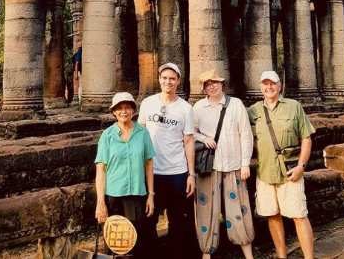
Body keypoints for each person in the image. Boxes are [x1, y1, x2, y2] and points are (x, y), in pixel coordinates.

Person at [248, 71, 316, 259]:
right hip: (265, 172)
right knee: (272, 215)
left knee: (299, 215)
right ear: (261, 87)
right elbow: (234, 127)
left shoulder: (294, 107)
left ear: (280, 86)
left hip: (290, 171)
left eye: (273, 84)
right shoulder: (253, 111)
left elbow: (306, 138)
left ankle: (309, 257)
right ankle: (281, 255)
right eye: (265, 84)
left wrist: (301, 166)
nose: (269, 87)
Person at [193, 70, 255, 259]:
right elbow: (190, 133)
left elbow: (246, 134)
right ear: (203, 88)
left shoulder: (235, 105)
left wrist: (245, 163)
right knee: (206, 210)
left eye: (215, 82)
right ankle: (206, 252)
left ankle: (247, 252)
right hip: (208, 167)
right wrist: (204, 138)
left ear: (222, 84)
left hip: (233, 164)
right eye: (207, 84)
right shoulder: (198, 107)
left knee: (239, 209)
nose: (211, 86)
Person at [138, 62, 197, 257]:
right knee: (148, 219)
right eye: (164, 78)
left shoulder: (186, 108)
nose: (168, 82)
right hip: (152, 172)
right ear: (159, 79)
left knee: (178, 220)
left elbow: (188, 141)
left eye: (172, 78)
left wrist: (191, 174)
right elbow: (140, 134)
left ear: (178, 81)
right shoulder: (148, 103)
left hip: (177, 172)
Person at [95, 92, 155, 258]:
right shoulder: (107, 136)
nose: (124, 111)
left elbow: (149, 164)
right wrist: (100, 203)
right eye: (119, 108)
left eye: (127, 107)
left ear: (133, 111)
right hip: (113, 195)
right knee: (114, 241)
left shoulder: (142, 133)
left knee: (136, 241)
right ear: (114, 112)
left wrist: (151, 195)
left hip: (136, 195)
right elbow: (101, 170)